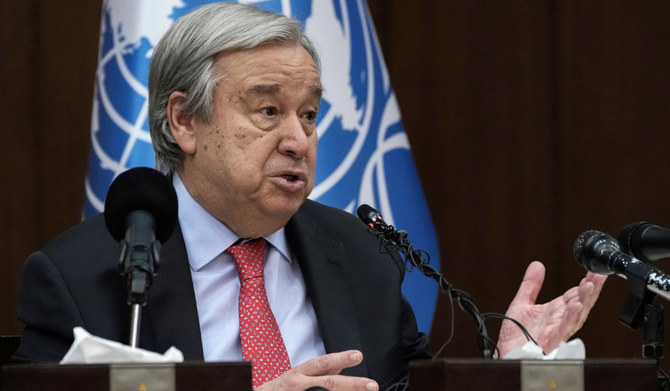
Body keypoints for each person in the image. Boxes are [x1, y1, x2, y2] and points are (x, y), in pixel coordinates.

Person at [13, 3, 606, 391]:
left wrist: (505, 372)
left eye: (310, 114)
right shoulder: (81, 279)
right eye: (268, 111)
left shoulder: (361, 256)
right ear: (185, 122)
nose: (299, 140)